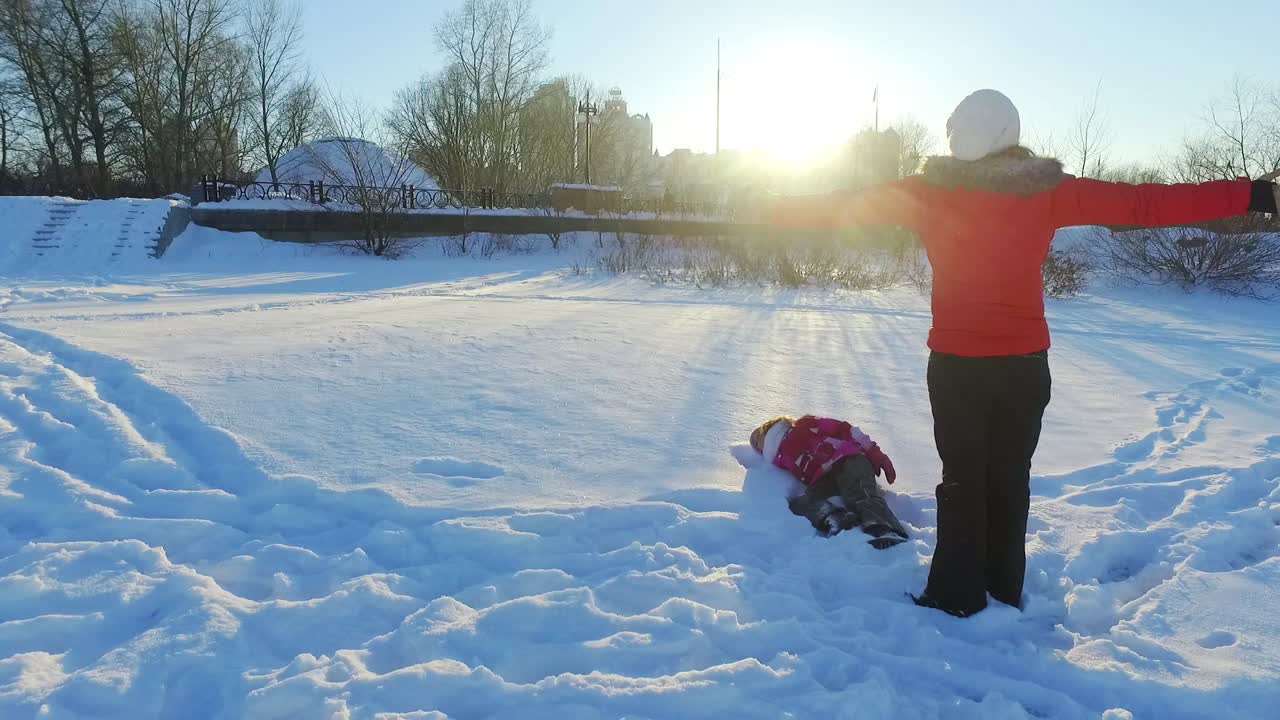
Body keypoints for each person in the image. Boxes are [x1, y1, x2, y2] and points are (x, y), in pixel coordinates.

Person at [768, 89, 1280, 618]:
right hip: (1023, 368)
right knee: (1009, 478)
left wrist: (769, 208)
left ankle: (955, 595)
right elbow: (1147, 203)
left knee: (964, 478)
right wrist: (1255, 194)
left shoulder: (928, 192)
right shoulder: (1047, 190)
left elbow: (839, 206)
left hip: (956, 369)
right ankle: (1003, 590)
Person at [750, 415, 910, 549]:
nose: (757, 444)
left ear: (768, 427)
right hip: (823, 479)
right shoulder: (779, 459)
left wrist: (874, 453)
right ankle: (836, 519)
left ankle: (887, 530)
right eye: (755, 446)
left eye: (757, 437)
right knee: (803, 502)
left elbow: (845, 429)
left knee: (860, 492)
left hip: (847, 459)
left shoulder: (803, 424)